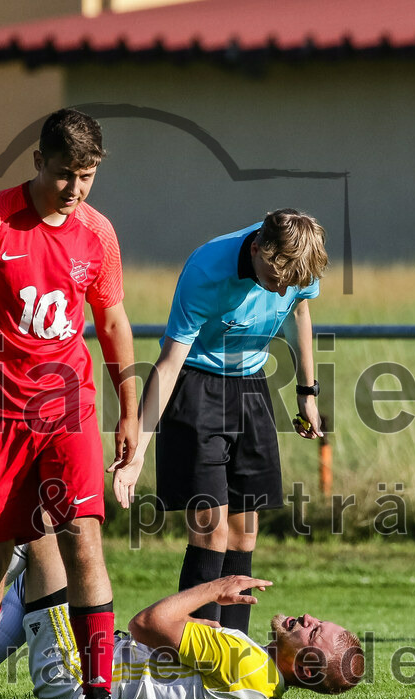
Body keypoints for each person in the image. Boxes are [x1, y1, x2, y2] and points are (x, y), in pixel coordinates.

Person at [0, 108, 137, 699]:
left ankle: (97, 690)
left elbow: (112, 322)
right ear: (39, 161)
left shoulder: (98, 234)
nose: (75, 188)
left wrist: (129, 411)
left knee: (83, 539)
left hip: (69, 410)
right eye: (65, 173)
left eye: (88, 175)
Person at [111, 210, 328, 636]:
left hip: (251, 387)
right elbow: (169, 364)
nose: (281, 290)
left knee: (244, 534)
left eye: (291, 283)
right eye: (275, 279)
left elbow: (299, 312)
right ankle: (193, 657)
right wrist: (137, 452)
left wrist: (307, 392)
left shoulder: (297, 263)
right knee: (211, 531)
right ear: (257, 249)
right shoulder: (206, 271)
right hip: (196, 386)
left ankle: (234, 651)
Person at [0, 537, 363, 699]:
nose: (309, 618)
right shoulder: (261, 682)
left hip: (77, 676)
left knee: (38, 532)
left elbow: (146, 624)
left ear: (305, 667)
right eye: (318, 621)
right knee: (34, 574)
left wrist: (215, 588)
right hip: (92, 670)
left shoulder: (246, 661)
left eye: (314, 631)